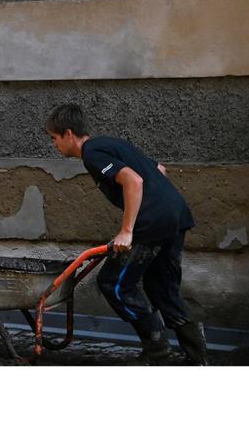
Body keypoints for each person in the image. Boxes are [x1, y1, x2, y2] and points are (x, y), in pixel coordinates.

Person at [45, 103, 207, 365]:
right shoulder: (111, 143)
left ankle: (157, 350)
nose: (54, 145)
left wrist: (127, 231)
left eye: (54, 138)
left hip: (153, 223)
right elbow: (159, 169)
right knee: (162, 287)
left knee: (114, 283)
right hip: (175, 216)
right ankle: (198, 356)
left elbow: (134, 180)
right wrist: (157, 207)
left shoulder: (92, 153)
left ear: (69, 133)